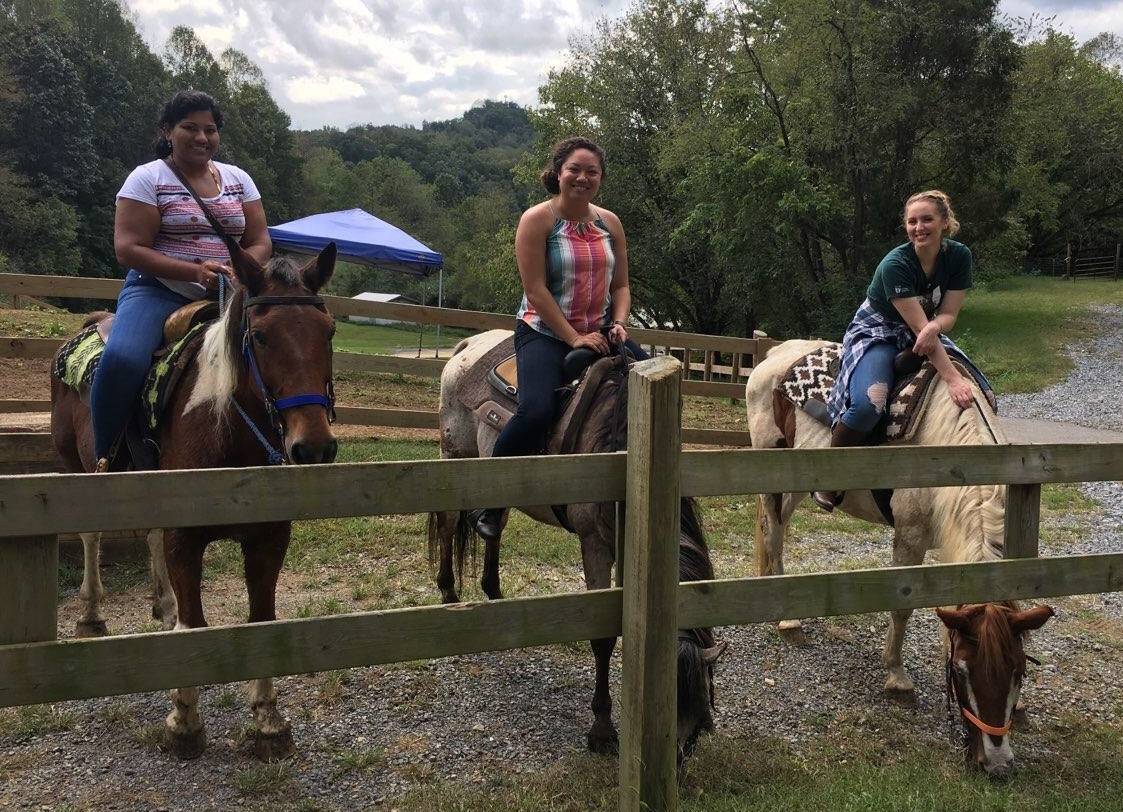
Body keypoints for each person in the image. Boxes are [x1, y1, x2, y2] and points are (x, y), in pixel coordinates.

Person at [471, 136, 648, 540]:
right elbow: (535, 290)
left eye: (592, 172)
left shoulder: (610, 223)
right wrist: (573, 338)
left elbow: (621, 286)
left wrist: (619, 322)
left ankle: (659, 487)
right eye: (575, 170)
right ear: (558, 173)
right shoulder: (537, 220)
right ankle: (490, 499)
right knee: (535, 410)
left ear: (601, 178)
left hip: (603, 332)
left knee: (659, 387)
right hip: (546, 332)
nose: (583, 178)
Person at [89, 90, 272, 471]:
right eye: (189, 127)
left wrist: (241, 270)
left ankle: (281, 444)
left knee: (280, 348)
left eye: (210, 129)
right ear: (167, 131)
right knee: (123, 359)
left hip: (231, 292)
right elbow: (128, 248)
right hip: (158, 290)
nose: (202, 137)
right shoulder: (147, 178)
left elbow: (260, 241)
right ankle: (106, 456)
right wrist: (193, 272)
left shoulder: (239, 180)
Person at [816, 190, 992, 511]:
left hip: (924, 329)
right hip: (879, 330)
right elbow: (915, 326)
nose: (918, 227)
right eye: (912, 221)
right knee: (870, 404)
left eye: (927, 219)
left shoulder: (959, 257)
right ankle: (829, 477)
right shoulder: (894, 265)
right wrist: (952, 379)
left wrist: (934, 328)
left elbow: (949, 314)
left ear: (944, 223)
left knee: (983, 388)